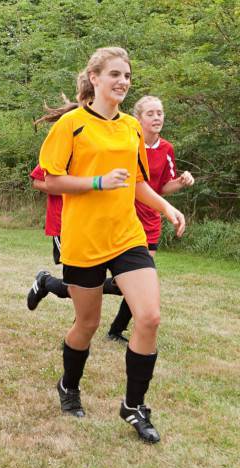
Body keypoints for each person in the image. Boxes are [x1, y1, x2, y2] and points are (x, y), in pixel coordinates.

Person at [38, 47, 185, 444]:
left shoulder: (131, 128)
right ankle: (69, 385)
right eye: (115, 74)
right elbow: (48, 180)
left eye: (127, 76)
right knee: (86, 323)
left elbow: (137, 184)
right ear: (95, 77)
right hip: (84, 238)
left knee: (149, 316)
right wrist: (97, 182)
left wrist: (167, 206)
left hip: (127, 235)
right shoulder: (71, 125)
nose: (122, 81)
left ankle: (134, 406)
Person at [106, 95, 194, 341]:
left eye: (160, 113)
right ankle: (56, 286)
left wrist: (181, 182)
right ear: (138, 119)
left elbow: (162, 187)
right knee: (110, 281)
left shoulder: (166, 149)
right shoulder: (127, 143)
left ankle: (116, 330)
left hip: (150, 220)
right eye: (151, 114)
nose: (157, 118)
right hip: (121, 217)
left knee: (143, 279)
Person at [26, 162, 121, 310]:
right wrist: (68, 188)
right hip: (64, 225)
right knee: (77, 289)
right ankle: (45, 281)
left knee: (89, 286)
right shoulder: (64, 146)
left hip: (96, 224)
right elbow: (36, 181)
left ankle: (113, 286)